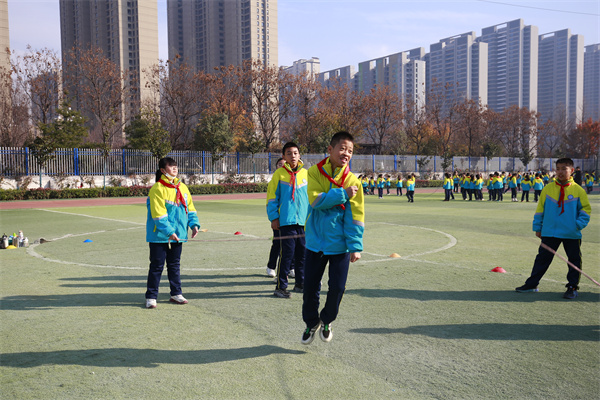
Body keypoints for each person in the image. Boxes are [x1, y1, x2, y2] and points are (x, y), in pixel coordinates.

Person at [301, 131, 365, 344]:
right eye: (342, 148)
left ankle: (327, 320)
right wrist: (343, 194)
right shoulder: (314, 172)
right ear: (330, 149)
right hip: (315, 243)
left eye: (350, 151)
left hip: (340, 245)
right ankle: (311, 323)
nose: (346, 154)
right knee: (310, 287)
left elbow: (355, 217)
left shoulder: (353, 181)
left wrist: (355, 246)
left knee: (337, 288)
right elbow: (316, 201)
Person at [516, 158, 591, 299]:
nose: (560, 172)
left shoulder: (578, 191)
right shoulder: (548, 189)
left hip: (571, 233)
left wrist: (577, 225)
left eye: (564, 169)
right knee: (542, 259)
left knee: (573, 261)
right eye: (558, 169)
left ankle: (572, 287)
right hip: (550, 231)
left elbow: (585, 211)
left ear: (572, 171)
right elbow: (540, 209)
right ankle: (532, 284)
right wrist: (538, 227)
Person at [145, 157, 200, 309]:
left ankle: (176, 293)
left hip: (178, 235)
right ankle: (151, 296)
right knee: (156, 266)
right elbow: (158, 214)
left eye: (175, 166)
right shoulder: (157, 188)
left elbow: (190, 208)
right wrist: (169, 231)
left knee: (174, 265)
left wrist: (194, 224)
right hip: (159, 236)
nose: (175, 168)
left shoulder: (182, 187)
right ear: (163, 170)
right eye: (171, 166)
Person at [266, 142, 309, 298]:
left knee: (302, 254)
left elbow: (310, 199)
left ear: (299, 155)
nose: (293, 156)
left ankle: (300, 283)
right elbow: (272, 198)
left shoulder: (306, 174)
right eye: (289, 153)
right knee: (287, 255)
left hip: (303, 222)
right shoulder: (279, 174)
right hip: (286, 222)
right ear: (284, 156)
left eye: (295, 153)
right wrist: (274, 218)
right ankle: (281, 287)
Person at [266, 157, 286, 278]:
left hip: (292, 219)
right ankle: (271, 266)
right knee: (278, 243)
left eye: (284, 164)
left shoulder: (293, 179)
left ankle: (291, 267)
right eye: (279, 164)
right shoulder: (274, 182)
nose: (282, 166)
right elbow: (270, 200)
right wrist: (274, 217)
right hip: (279, 218)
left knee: (293, 245)